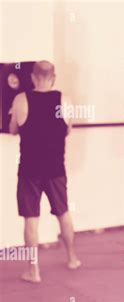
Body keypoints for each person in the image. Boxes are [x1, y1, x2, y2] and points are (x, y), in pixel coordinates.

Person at [9, 60, 81, 283]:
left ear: (32, 77)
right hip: (56, 169)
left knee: (31, 220)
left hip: (29, 170)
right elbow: (67, 130)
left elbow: (13, 129)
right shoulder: (65, 101)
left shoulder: (20, 100)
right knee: (63, 213)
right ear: (54, 77)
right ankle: (72, 258)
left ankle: (34, 271)